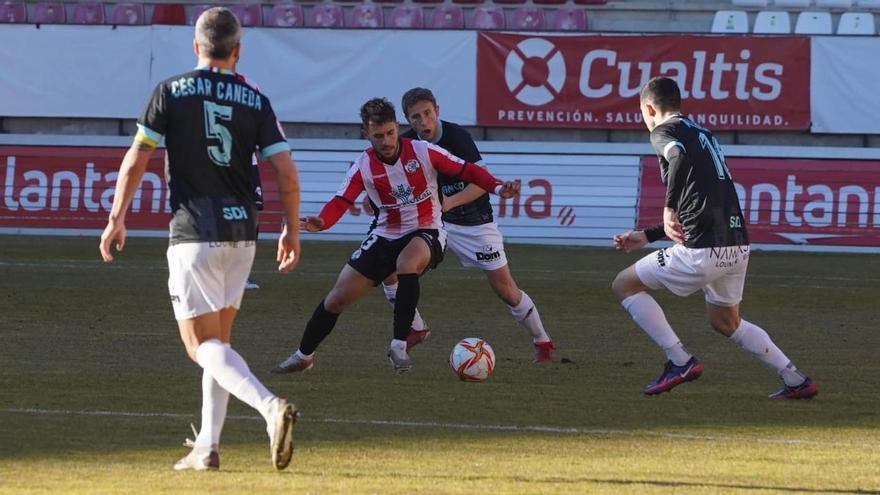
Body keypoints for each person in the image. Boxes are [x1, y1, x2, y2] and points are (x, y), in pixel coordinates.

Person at [99, 7, 302, 471]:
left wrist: (116, 218)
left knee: (198, 347)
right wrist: (290, 229)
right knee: (220, 345)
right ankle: (207, 448)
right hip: (243, 233)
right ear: (237, 51)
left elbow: (135, 161)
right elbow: (286, 175)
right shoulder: (255, 98)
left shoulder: (170, 90)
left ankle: (270, 408)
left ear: (196, 47)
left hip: (193, 231)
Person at [271, 97, 520, 374]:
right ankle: (303, 355)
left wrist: (498, 188)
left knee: (407, 263)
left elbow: (467, 170)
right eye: (378, 136)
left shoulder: (423, 151)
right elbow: (341, 201)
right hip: (385, 233)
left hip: (428, 230)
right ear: (365, 134)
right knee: (336, 299)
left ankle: (400, 344)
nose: (387, 141)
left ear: (397, 127)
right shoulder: (362, 166)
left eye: (390, 133)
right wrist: (323, 222)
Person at [611, 76, 818, 400]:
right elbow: (703, 194)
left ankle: (679, 361)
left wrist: (667, 208)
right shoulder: (703, 133)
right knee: (725, 321)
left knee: (623, 284)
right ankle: (795, 379)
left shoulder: (663, 132)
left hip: (702, 249)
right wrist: (649, 234)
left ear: (648, 108)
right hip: (735, 243)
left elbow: (676, 156)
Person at [380, 87, 555, 364]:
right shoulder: (405, 145)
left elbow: (481, 181)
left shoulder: (457, 137)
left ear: (437, 111)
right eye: (416, 117)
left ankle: (543, 342)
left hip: (474, 222)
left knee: (506, 289)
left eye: (427, 114)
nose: (423, 121)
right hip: (431, 223)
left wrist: (449, 202)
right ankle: (415, 328)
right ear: (407, 120)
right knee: (388, 268)